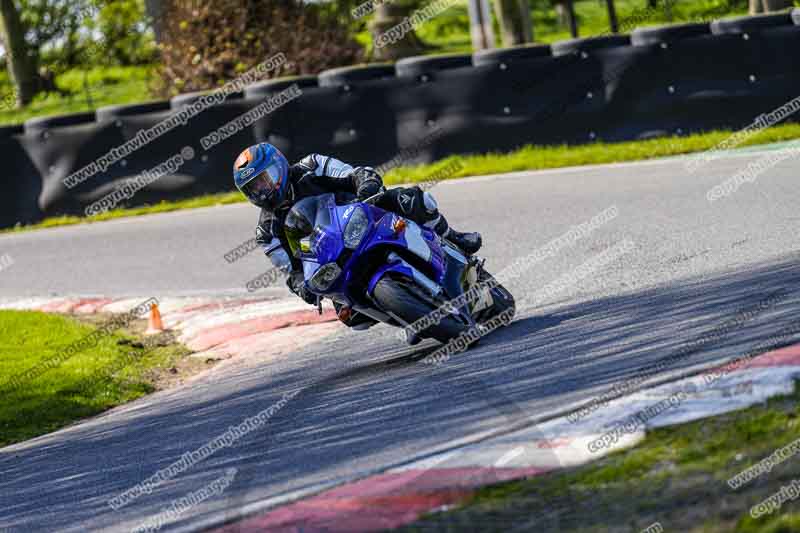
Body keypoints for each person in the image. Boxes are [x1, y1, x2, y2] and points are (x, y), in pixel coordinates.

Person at [233, 142, 482, 325]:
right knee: (350, 316)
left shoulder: (311, 166)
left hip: (363, 216)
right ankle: (407, 314)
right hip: (333, 257)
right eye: (252, 189)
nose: (261, 191)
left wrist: (367, 185)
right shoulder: (267, 231)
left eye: (264, 180)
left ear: (279, 166)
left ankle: (452, 237)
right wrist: (303, 288)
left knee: (413, 200)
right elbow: (291, 270)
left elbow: (354, 173)